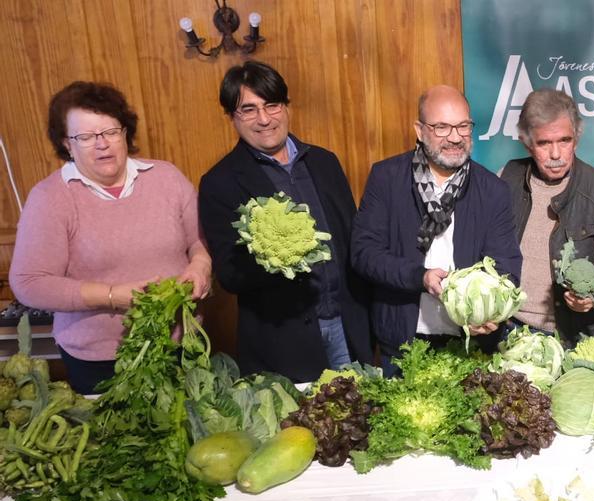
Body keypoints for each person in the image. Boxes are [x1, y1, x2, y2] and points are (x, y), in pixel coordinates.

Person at [10, 81, 211, 394]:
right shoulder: (50, 198)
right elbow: (28, 282)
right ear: (66, 143)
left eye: (110, 132)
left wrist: (200, 266)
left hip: (182, 342)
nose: (101, 144)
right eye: (86, 137)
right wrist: (112, 295)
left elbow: (199, 242)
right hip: (102, 358)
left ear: (125, 133)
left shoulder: (166, 177)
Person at [198, 61, 371, 383]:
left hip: (347, 328)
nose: (264, 119)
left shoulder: (324, 161)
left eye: (271, 105)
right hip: (284, 341)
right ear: (231, 118)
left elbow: (351, 239)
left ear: (286, 107)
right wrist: (278, 255)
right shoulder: (219, 182)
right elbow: (230, 276)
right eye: (248, 110)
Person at [351, 85, 521, 371]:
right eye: (441, 127)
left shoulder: (493, 190)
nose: (455, 137)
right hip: (402, 343)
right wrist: (421, 277)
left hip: (468, 344)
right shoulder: (387, 178)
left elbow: (506, 265)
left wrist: (489, 311)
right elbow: (364, 253)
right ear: (419, 130)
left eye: (463, 126)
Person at [499, 89, 594, 345]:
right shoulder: (505, 178)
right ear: (527, 142)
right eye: (544, 143)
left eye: (564, 141)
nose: (556, 155)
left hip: (571, 336)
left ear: (576, 139)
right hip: (508, 328)